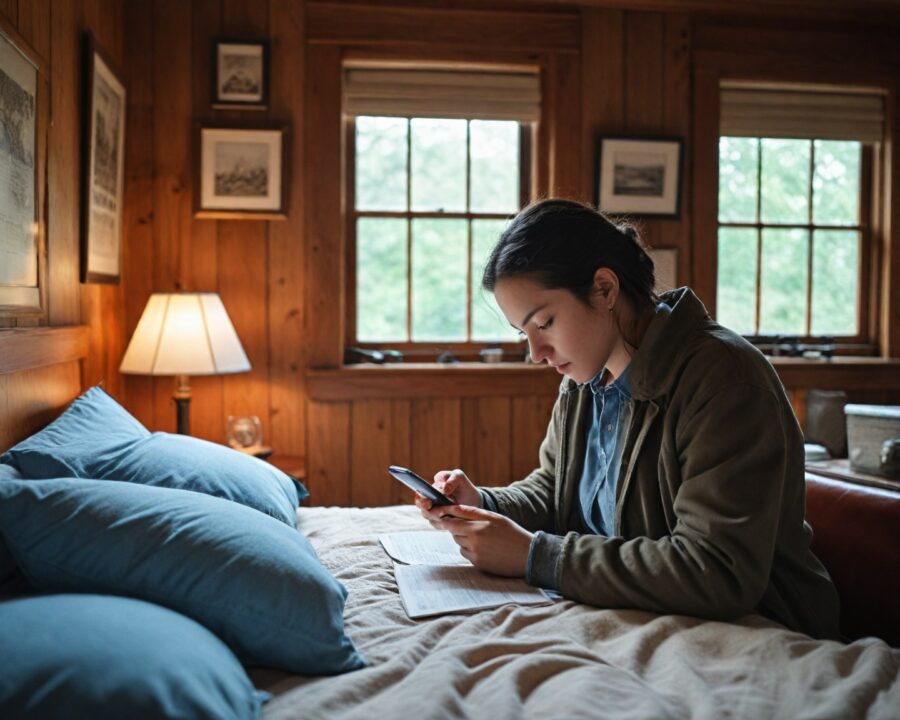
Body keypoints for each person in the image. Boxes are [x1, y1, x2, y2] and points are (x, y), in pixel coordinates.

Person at [416, 198, 841, 640]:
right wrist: (481, 505)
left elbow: (716, 571)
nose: (535, 354)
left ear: (604, 289)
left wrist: (536, 556)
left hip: (762, 630)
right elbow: (556, 492)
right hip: (649, 620)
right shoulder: (584, 376)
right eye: (523, 333)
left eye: (543, 323)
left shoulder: (725, 380)